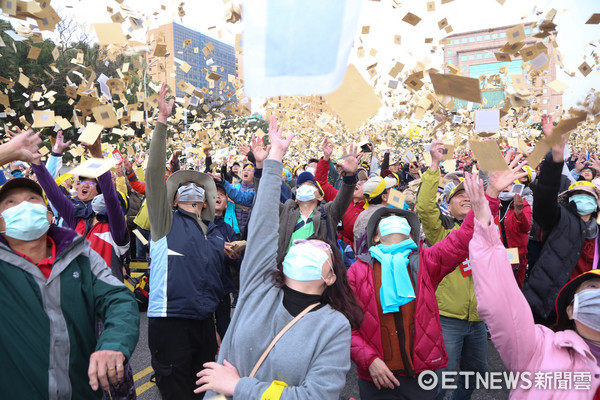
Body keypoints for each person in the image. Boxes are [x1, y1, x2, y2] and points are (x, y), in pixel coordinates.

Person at [196, 114, 363, 400]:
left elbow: (316, 397)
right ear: (285, 262)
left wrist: (239, 388)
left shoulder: (334, 326)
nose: (306, 244)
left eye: (319, 248)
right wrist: (272, 160)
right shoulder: (257, 288)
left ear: (331, 276)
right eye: (298, 248)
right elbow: (262, 223)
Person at [0, 176, 139, 399]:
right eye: (11, 203)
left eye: (32, 199)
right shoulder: (77, 223)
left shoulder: (95, 243)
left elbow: (118, 299)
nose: (24, 206)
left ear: (47, 216)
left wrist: (114, 344)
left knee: (116, 378)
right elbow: (54, 192)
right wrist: (35, 161)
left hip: (100, 314)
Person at [467, 172, 600, 399]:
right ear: (570, 307)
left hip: (518, 260)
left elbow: (524, 225)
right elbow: (502, 303)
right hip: (534, 281)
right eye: (591, 289)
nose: (597, 296)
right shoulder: (540, 349)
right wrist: (484, 218)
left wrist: (519, 214)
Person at [418, 140, 527, 399]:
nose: (466, 200)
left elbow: (484, 218)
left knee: (475, 373)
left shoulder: (486, 230)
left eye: (470, 197)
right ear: (449, 204)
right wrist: (434, 165)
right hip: (447, 318)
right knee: (440, 379)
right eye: (460, 197)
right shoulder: (440, 232)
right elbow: (424, 207)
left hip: (478, 321)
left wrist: (491, 192)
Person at [146, 83, 227, 400]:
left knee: (204, 394)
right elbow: (154, 174)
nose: (191, 188)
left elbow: (220, 288)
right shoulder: (164, 222)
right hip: (171, 323)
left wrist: (219, 328)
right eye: (183, 184)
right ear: (174, 196)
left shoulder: (215, 233)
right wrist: (162, 123)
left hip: (204, 324)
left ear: (207, 199)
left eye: (197, 185)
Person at [523, 115, 600, 326]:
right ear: (570, 198)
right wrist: (556, 155)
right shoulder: (560, 219)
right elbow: (545, 194)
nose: (584, 198)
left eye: (589, 195)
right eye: (579, 194)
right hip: (552, 306)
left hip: (590, 311)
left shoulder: (598, 232)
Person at [255, 136, 361, 261]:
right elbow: (264, 198)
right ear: (296, 198)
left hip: (318, 274)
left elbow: (343, 198)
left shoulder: (328, 213)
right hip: (287, 273)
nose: (305, 187)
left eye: (311, 185)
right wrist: (259, 165)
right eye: (301, 186)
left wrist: (349, 175)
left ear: (320, 197)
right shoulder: (284, 212)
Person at [316, 138, 367, 249]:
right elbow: (321, 184)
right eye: (357, 180)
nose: (358, 183)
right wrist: (326, 158)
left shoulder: (368, 212)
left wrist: (346, 244)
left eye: (363, 183)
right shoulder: (338, 197)